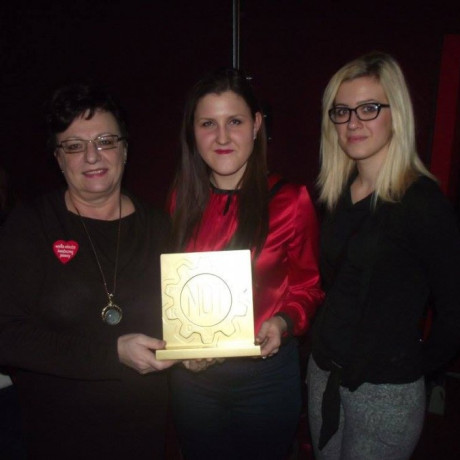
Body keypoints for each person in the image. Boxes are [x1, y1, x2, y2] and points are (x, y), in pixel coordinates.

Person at [0, 83, 174, 459]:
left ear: (125, 149)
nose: (92, 156)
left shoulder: (160, 227)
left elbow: (180, 319)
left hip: (143, 433)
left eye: (105, 141)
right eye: (74, 146)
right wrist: (111, 353)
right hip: (58, 436)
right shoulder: (31, 225)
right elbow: (7, 335)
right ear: (58, 158)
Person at [308, 51, 460, 460]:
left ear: (397, 115)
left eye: (369, 108)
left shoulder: (423, 203)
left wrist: (411, 367)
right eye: (342, 111)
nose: (353, 122)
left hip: (386, 392)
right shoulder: (337, 193)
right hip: (324, 374)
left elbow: (454, 310)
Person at [168, 68, 324, 460]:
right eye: (208, 123)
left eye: (234, 121)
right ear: (192, 132)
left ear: (256, 125)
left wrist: (283, 322)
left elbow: (308, 287)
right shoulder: (180, 199)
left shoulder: (291, 201)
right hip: (194, 379)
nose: (222, 137)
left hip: (265, 378)